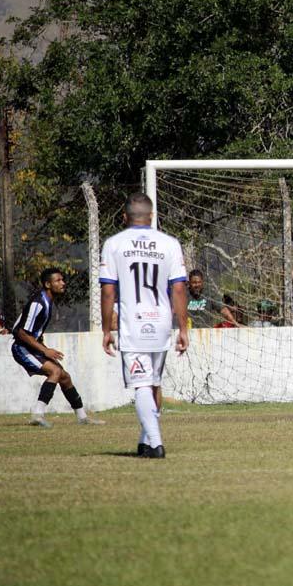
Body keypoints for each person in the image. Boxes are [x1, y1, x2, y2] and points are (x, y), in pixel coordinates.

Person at [100, 193, 190, 458]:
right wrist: (182, 328)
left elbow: (107, 291)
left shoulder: (114, 243)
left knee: (141, 384)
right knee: (153, 383)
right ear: (151, 216)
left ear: (125, 216)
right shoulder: (169, 243)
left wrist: (106, 330)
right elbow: (179, 288)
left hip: (133, 324)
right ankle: (145, 441)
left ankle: (156, 442)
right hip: (161, 322)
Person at [11, 267, 104, 428]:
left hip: (32, 346)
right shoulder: (38, 303)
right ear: (48, 284)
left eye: (62, 280)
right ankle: (37, 414)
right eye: (58, 280)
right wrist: (45, 350)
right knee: (55, 372)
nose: (63, 283)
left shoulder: (46, 300)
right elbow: (21, 333)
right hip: (22, 348)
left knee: (64, 377)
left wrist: (41, 345)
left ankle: (82, 417)